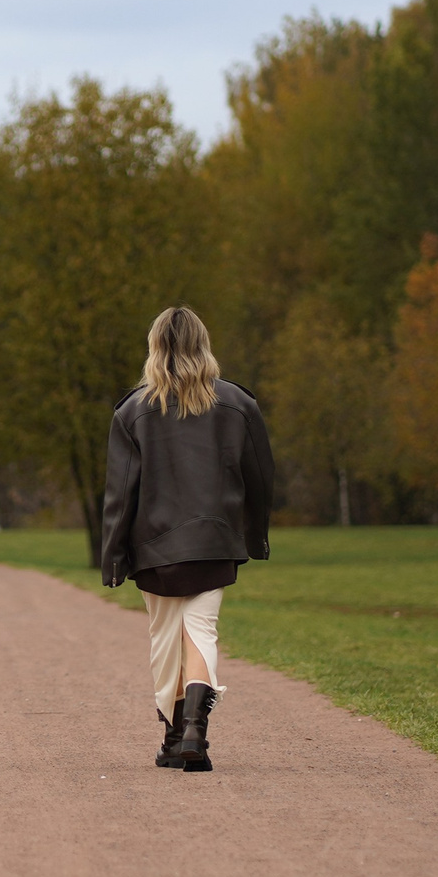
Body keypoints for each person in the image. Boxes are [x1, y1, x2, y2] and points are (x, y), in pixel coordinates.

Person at [98, 306, 274, 771]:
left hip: (152, 547)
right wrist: (256, 538)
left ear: (155, 346)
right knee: (201, 632)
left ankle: (176, 735)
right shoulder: (239, 405)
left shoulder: (132, 411)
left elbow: (121, 494)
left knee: (164, 638)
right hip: (214, 542)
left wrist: (113, 556)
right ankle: (192, 733)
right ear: (203, 344)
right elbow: (260, 478)